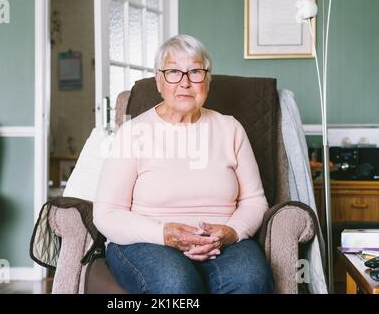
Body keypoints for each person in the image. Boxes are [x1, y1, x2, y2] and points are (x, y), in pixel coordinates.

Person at [93, 34, 275, 294]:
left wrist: (231, 232)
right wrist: (163, 233)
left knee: (250, 280)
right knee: (175, 284)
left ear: (207, 80)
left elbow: (255, 201)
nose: (185, 82)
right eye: (173, 72)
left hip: (222, 242)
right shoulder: (133, 132)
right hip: (147, 241)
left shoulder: (231, 128)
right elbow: (106, 213)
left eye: (195, 72)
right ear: (159, 80)